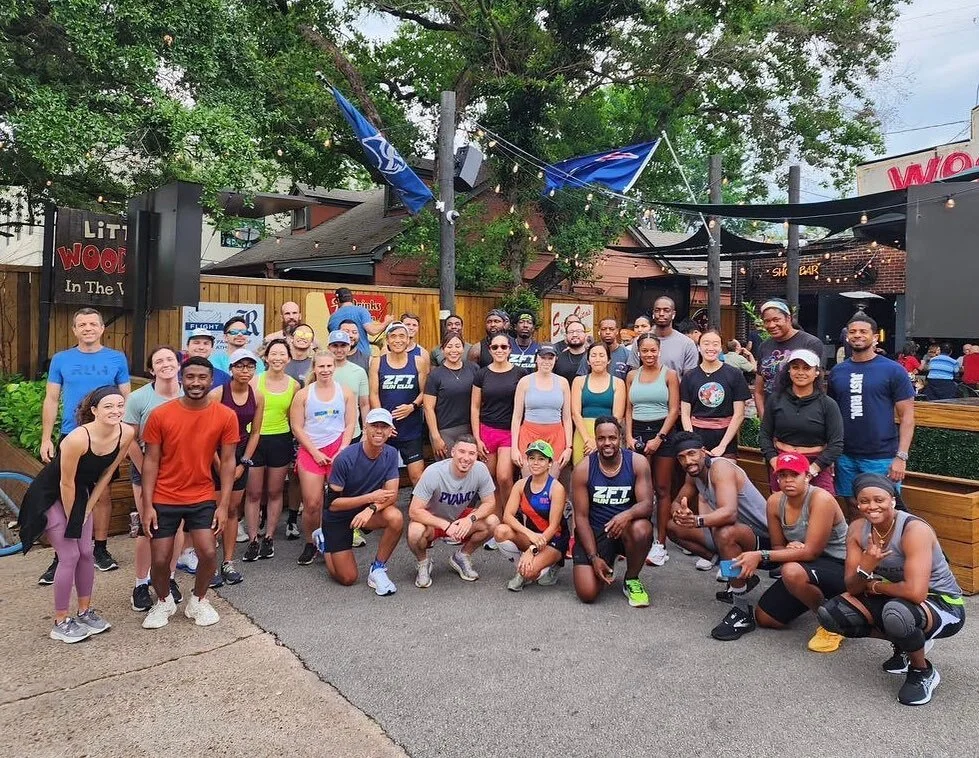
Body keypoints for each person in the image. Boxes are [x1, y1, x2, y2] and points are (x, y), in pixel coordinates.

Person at [816, 474, 966, 706]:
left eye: (879, 500)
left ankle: (922, 671)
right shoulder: (857, 529)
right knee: (833, 613)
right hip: (900, 597)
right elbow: (852, 587)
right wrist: (866, 567)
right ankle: (908, 644)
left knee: (896, 613)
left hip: (943, 603)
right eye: (864, 501)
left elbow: (916, 593)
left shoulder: (914, 530)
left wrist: (876, 586)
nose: (871, 506)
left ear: (893, 500)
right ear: (857, 504)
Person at [19, 387, 133, 643]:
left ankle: (84, 611)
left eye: (119, 405)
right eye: (108, 406)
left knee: (86, 553)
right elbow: (65, 483)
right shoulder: (77, 439)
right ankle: (60, 622)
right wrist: (75, 519)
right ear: (94, 410)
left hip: (81, 494)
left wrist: (89, 506)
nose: (116, 411)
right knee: (69, 555)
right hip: (50, 495)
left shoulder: (126, 433)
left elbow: (107, 474)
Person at [140, 357, 238, 629]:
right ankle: (163, 601)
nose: (196, 382)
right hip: (164, 496)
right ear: (181, 379)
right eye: (190, 377)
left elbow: (228, 461)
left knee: (207, 553)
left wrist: (223, 505)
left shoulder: (225, 415)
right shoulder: (160, 414)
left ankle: (198, 600)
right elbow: (150, 461)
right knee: (160, 558)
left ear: (211, 380)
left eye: (202, 377)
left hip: (202, 495)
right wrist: (147, 505)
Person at [712, 453, 848, 646]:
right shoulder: (775, 501)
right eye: (783, 475)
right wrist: (788, 549)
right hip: (804, 564)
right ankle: (739, 604)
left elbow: (811, 552)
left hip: (838, 565)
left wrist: (759, 555)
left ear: (807, 476)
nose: (788, 480)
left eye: (794, 475)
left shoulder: (821, 499)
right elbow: (777, 546)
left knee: (790, 571)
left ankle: (832, 619)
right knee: (766, 618)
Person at [39, 307, 130, 582]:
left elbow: (125, 398)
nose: (88, 328)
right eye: (82, 324)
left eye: (92, 324)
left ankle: (100, 549)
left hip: (106, 436)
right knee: (65, 494)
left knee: (103, 494)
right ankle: (62, 555)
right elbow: (51, 399)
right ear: (74, 330)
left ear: (102, 328)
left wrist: (124, 434)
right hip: (72, 435)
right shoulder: (61, 359)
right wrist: (46, 438)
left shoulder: (116, 358)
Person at [667, 432, 771, 605]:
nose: (688, 461)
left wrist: (696, 521)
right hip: (736, 533)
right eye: (681, 457)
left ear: (703, 452)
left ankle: (740, 605)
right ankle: (735, 574)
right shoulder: (693, 475)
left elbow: (729, 513)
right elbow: (676, 502)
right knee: (673, 527)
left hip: (764, 538)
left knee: (725, 532)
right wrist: (680, 514)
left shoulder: (720, 468)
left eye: (691, 453)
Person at [828, 314, 916, 517]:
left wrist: (901, 456)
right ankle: (859, 539)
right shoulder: (838, 372)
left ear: (875, 337)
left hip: (881, 456)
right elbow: (831, 415)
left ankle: (887, 541)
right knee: (853, 505)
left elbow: (907, 416)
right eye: (852, 332)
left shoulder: (893, 370)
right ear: (847, 336)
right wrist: (830, 453)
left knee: (884, 509)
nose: (857, 335)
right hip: (845, 455)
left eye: (863, 331)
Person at [124, 347, 186, 612]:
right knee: (147, 527)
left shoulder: (190, 394)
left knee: (178, 527)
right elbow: (129, 439)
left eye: (170, 359)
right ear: (151, 369)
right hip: (146, 469)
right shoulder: (138, 398)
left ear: (179, 364)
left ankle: (169, 578)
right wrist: (147, 471)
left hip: (181, 471)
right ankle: (141, 584)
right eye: (159, 361)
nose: (165, 364)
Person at [319, 408, 405, 595]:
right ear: (365, 428)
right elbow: (332, 504)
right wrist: (370, 498)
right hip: (339, 515)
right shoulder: (345, 458)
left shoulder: (391, 453)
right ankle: (324, 542)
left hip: (365, 511)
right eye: (374, 426)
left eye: (384, 427)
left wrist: (371, 508)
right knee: (348, 578)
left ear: (391, 431)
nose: (379, 431)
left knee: (395, 517)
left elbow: (391, 495)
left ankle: (378, 568)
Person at [571, 416, 654, 607]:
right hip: (596, 531)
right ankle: (606, 559)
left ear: (621, 438)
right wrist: (593, 557)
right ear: (595, 439)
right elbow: (581, 518)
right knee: (587, 594)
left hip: (626, 529)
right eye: (601, 438)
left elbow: (647, 504)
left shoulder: (637, 462)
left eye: (612, 438)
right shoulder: (583, 469)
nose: (607, 443)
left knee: (642, 529)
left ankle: (631, 578)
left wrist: (626, 515)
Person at [406, 435, 499, 587]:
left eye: (471, 453)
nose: (466, 458)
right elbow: (414, 511)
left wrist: (470, 519)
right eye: (462, 452)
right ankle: (423, 562)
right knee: (414, 532)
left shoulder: (480, 469)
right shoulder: (434, 472)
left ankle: (462, 556)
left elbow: (490, 503)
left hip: (459, 517)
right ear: (453, 452)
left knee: (493, 522)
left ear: (477, 455)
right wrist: (445, 525)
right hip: (433, 520)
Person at [292, 351, 357, 566]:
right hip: (312, 450)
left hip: (337, 449)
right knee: (312, 503)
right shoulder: (304, 394)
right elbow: (296, 427)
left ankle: (336, 540)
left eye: (329, 366)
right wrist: (315, 452)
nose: (326, 370)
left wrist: (343, 449)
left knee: (337, 500)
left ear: (334, 367)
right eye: (321, 366)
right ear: (314, 368)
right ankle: (311, 542)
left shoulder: (345, 392)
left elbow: (350, 423)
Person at [206, 349, 264, 586]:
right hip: (216, 453)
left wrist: (244, 462)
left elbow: (255, 432)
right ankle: (208, 563)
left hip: (240, 453)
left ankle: (228, 561)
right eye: (240, 366)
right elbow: (206, 434)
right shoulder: (217, 394)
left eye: (250, 366)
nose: (245, 371)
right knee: (213, 510)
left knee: (231, 510)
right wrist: (220, 465)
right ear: (231, 369)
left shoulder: (257, 396)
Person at [624, 334, 680, 567]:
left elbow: (674, 409)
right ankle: (637, 537)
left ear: (659, 351)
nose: (649, 355)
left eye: (653, 350)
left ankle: (660, 543)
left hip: (663, 432)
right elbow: (628, 409)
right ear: (638, 352)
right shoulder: (631, 376)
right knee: (638, 487)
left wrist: (659, 438)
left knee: (662, 488)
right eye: (644, 351)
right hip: (637, 431)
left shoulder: (669, 375)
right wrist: (628, 435)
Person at [758, 348, 842, 497]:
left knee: (821, 505)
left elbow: (836, 444)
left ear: (817, 372)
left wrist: (812, 470)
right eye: (795, 367)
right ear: (789, 371)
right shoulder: (775, 400)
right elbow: (765, 434)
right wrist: (774, 460)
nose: (800, 372)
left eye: (807, 368)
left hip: (816, 464)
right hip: (782, 463)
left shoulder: (828, 404)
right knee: (780, 506)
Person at [242, 338, 298, 561]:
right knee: (254, 493)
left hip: (280, 440)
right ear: (266, 357)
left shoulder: (294, 385)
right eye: (273, 354)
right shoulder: (255, 381)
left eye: (282, 354)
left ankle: (269, 538)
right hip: (255, 440)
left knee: (275, 492)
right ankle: (253, 539)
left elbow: (293, 417)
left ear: (289, 358)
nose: (278, 358)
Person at [494, 440, 569, 592]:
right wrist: (530, 535)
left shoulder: (556, 488)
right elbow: (508, 516)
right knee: (500, 531)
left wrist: (532, 550)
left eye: (541, 459)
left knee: (531, 573)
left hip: (553, 540)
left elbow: (554, 527)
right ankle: (521, 568)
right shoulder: (520, 485)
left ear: (549, 463)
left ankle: (553, 564)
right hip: (532, 536)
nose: (535, 462)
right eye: (532, 458)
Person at [471, 334, 526, 516]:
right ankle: (495, 518)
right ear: (490, 350)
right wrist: (477, 438)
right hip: (487, 430)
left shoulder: (520, 373)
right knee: (489, 479)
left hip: (509, 431)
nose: (499, 350)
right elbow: (475, 407)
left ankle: (509, 517)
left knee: (504, 476)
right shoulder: (482, 374)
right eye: (495, 347)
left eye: (503, 347)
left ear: (510, 349)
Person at [370, 321, 428, 486]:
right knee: (383, 476)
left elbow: (425, 392)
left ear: (408, 339)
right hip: (386, 430)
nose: (398, 340)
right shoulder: (377, 362)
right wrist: (384, 422)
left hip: (411, 429)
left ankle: (418, 501)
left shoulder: (418, 361)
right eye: (393, 336)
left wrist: (412, 406)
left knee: (417, 476)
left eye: (402, 336)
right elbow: (374, 394)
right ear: (387, 340)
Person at [682, 330, 750, 459]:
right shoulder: (689, 376)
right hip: (697, 436)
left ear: (721, 348)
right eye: (706, 343)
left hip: (726, 437)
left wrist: (722, 446)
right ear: (699, 347)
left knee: (725, 470)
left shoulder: (734, 374)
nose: (710, 348)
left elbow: (739, 414)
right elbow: (685, 414)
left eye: (715, 344)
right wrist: (694, 443)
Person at [752, 299, 824, 417]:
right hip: (772, 414)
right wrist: (765, 419)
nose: (771, 325)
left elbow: (816, 384)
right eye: (767, 321)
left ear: (788, 318)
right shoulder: (764, 346)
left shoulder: (810, 343)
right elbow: (759, 390)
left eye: (776, 320)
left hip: (802, 415)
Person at [511, 344, 573, 479]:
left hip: (556, 436)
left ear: (555, 359)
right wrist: (514, 447)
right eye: (543, 357)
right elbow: (516, 417)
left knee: (551, 482)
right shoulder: (525, 382)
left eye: (550, 358)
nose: (546, 361)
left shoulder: (563, 383)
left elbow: (567, 418)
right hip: (529, 435)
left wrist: (569, 447)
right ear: (536, 359)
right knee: (529, 481)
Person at [571, 343, 626, 465]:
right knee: (582, 470)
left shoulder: (618, 383)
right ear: (588, 361)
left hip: (609, 435)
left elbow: (617, 416)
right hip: (583, 433)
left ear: (609, 360)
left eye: (601, 355)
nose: (597, 359)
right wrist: (588, 440)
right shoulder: (579, 381)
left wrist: (599, 441)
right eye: (593, 355)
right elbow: (575, 413)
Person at [424, 333, 477, 458]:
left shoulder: (473, 369)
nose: (454, 350)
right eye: (449, 346)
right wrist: (436, 437)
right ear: (442, 350)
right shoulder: (435, 375)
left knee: (468, 464)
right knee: (448, 466)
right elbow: (428, 407)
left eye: (457, 346)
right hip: (444, 430)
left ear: (463, 349)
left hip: (470, 428)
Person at [638, 297, 698, 376]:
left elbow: (689, 378)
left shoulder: (687, 344)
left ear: (673, 314)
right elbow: (634, 375)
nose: (661, 314)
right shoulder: (640, 341)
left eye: (666, 310)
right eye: (657, 310)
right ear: (653, 313)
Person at [328, 287, 393, 357]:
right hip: (362, 357)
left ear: (337, 300)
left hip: (340, 356)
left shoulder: (332, 317)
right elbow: (372, 331)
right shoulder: (362, 311)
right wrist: (386, 322)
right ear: (352, 299)